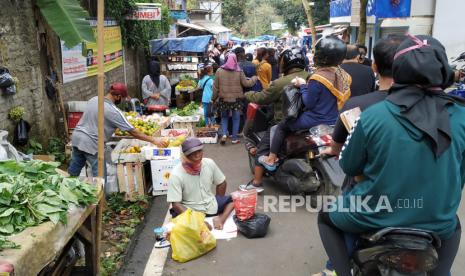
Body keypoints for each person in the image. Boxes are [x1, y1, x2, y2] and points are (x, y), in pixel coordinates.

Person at [318, 35, 465, 276]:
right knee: (453, 225)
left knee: (325, 217)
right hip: (436, 218)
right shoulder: (460, 114)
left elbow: (350, 165)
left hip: (374, 212)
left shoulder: (373, 115)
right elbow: (459, 177)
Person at [313, 35, 404, 276]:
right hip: (427, 204)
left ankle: (335, 269)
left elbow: (348, 161)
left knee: (341, 207)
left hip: (374, 196)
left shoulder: (360, 108)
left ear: (374, 66)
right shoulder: (445, 110)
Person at [259, 36, 351, 171]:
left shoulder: (318, 77)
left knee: (280, 127)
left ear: (321, 56)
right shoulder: (344, 75)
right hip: (335, 119)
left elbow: (309, 103)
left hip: (315, 119)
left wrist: (302, 85)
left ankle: (271, 158)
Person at [239, 48, 311, 192]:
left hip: (283, 123)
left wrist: (247, 95)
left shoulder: (280, 83)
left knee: (261, 151)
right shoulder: (311, 77)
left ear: (285, 63)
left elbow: (262, 98)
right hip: (309, 122)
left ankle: (257, 183)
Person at [68, 83, 168, 177]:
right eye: (123, 98)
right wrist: (154, 140)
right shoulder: (113, 111)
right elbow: (133, 132)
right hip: (92, 143)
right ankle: (100, 195)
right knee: (99, 178)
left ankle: (67, 189)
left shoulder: (94, 99)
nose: (123, 100)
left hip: (77, 137)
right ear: (118, 96)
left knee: (74, 170)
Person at [167, 138, 235, 230]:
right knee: (176, 213)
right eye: (193, 153)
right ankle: (196, 220)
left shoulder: (209, 163)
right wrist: (198, 222)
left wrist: (219, 201)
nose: (197, 155)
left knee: (233, 200)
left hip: (211, 205)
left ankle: (221, 219)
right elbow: (176, 204)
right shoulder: (176, 174)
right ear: (185, 155)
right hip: (190, 209)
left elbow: (222, 183)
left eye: (199, 151)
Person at [213, 53, 257, 145]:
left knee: (224, 117)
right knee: (236, 118)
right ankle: (234, 138)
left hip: (223, 99)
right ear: (235, 60)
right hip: (236, 100)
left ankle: (224, 134)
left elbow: (215, 87)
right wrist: (254, 78)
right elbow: (246, 84)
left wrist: (213, 98)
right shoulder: (239, 71)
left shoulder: (219, 71)